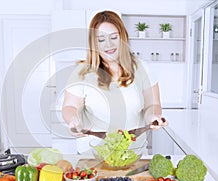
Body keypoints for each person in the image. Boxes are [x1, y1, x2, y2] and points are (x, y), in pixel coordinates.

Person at [61, 10, 167, 152]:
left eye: (113, 37)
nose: (108, 45)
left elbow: (152, 104)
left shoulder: (142, 68)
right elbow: (70, 106)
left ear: (122, 37)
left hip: (133, 153)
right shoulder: (82, 72)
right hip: (92, 154)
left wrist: (153, 116)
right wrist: (73, 120)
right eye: (101, 40)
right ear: (94, 43)